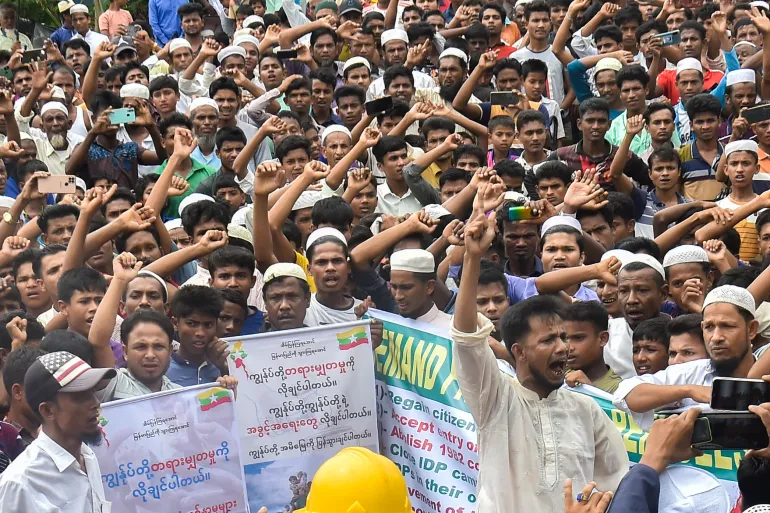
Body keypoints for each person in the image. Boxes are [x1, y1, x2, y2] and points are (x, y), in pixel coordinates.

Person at [451, 212, 628, 511]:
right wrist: (471, 257)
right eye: (548, 341)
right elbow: (466, 337)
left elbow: (615, 482)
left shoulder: (587, 410)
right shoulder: (496, 399)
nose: (563, 348)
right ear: (519, 351)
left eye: (563, 337)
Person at [614, 285, 758, 429]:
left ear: (751, 330)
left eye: (727, 326)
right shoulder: (688, 373)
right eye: (709, 327)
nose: (716, 337)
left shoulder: (765, 375)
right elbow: (626, 393)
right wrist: (689, 391)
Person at [0, 351, 116, 510]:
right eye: (80, 397)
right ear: (47, 410)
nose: (95, 403)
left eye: (93, 392)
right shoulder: (20, 483)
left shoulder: (87, 457)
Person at [563, 301, 623, 393]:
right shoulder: (557, 375)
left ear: (603, 339)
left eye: (578, 338)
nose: (569, 347)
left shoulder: (618, 390)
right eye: (565, 338)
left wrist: (589, 390)